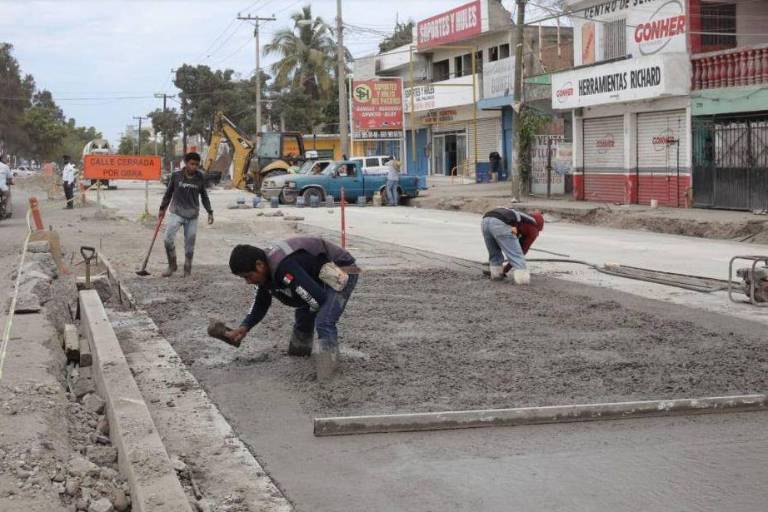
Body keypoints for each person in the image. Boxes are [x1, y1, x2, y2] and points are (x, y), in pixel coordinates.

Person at [226, 237, 360, 380]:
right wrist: (245, 326)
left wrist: (308, 305)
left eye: (248, 276)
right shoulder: (265, 267)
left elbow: (318, 299)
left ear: (259, 265)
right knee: (305, 308)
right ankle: (299, 353)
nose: (248, 282)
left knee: (324, 320)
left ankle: (329, 371)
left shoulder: (283, 267)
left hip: (341, 270)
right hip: (316, 274)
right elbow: (261, 302)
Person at [159, 152, 214, 277]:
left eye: (196, 164)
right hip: (176, 212)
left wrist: (210, 212)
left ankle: (187, 269)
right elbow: (168, 193)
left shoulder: (200, 177)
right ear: (186, 163)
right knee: (167, 239)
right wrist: (162, 208)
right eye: (192, 164)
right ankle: (172, 265)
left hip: (192, 215)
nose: (194, 167)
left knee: (190, 244)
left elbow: (204, 196)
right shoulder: (176, 176)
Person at [481, 208, 544, 284]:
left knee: (495, 252)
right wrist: (506, 269)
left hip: (486, 219)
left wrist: (504, 270)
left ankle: (496, 275)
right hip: (500, 222)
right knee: (517, 255)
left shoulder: (522, 217)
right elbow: (522, 251)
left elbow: (515, 234)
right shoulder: (533, 228)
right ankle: (522, 280)